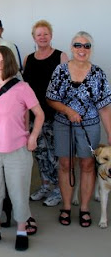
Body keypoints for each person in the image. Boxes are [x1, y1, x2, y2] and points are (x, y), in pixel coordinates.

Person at [0, 46, 44, 251]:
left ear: (10, 62)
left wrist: (33, 136)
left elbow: (39, 114)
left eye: (3, 61)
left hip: (18, 149)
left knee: (19, 192)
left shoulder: (22, 88)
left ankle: (22, 230)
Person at [46, 31, 111, 227]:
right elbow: (50, 98)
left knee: (88, 165)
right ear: (71, 47)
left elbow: (105, 106)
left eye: (86, 46)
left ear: (90, 49)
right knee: (65, 164)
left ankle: (84, 208)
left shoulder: (98, 73)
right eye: (78, 45)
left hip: (89, 126)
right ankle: (66, 206)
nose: (82, 49)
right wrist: (67, 110)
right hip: (63, 125)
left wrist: (110, 132)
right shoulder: (60, 70)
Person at [23, 20, 69, 207]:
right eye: (38, 34)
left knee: (55, 155)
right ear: (34, 37)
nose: (42, 37)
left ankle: (59, 190)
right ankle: (45, 186)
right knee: (40, 153)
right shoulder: (28, 59)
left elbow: (68, 89)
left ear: (51, 36)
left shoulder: (61, 57)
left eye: (45, 33)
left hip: (55, 115)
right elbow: (24, 90)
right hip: (35, 116)